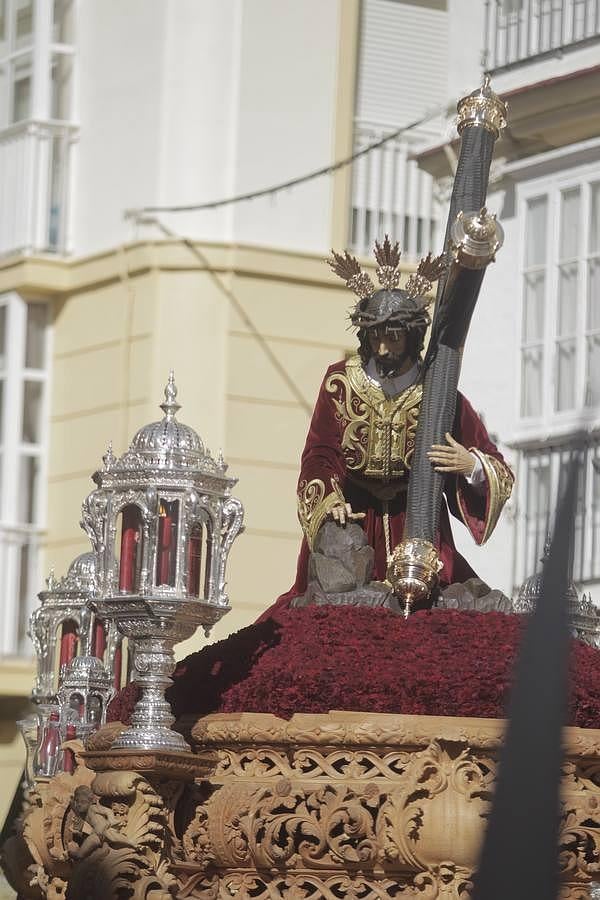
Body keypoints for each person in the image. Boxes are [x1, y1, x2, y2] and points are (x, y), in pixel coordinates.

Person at [266, 238, 514, 616]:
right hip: (354, 519)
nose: (383, 348)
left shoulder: (437, 391)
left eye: (393, 337)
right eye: (376, 336)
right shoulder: (340, 383)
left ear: (412, 336)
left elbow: (497, 466)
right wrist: (330, 501)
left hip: (416, 521)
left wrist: (471, 465)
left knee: (443, 611)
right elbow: (320, 454)